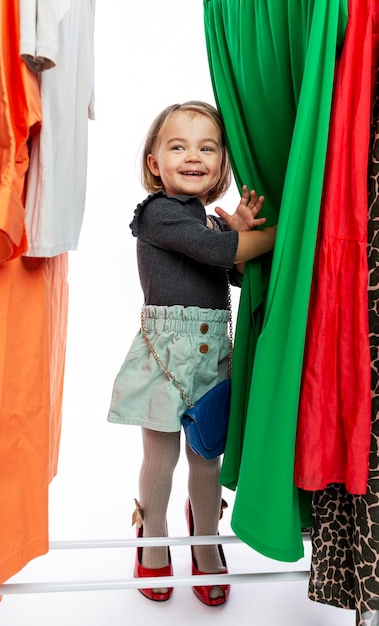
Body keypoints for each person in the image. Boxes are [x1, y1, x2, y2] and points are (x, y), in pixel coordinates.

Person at [108, 100, 276, 606]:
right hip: (165, 355)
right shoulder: (157, 214)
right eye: (177, 146)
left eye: (207, 147)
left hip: (211, 356)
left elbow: (237, 273)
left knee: (206, 459)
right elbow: (221, 254)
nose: (193, 156)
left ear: (221, 163)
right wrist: (274, 235)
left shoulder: (207, 221)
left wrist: (241, 230)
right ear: (155, 162)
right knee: (159, 457)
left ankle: (205, 542)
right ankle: (152, 537)